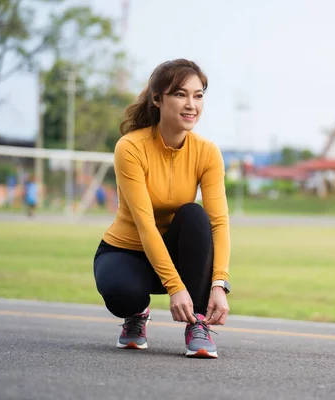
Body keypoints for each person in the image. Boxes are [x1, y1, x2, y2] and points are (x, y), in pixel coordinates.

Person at [92, 59, 231, 359]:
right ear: (157, 98)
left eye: (198, 95)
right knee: (122, 295)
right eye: (180, 94)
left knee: (195, 215)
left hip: (177, 251)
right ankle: (136, 313)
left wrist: (219, 284)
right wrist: (175, 288)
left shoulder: (207, 152)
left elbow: (218, 223)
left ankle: (198, 323)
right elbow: (144, 224)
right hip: (127, 251)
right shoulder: (130, 147)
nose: (191, 104)